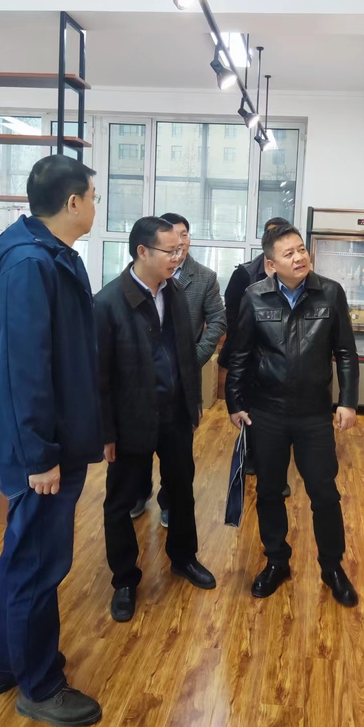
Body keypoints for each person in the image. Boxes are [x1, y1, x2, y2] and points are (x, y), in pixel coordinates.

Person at [0, 155, 103, 727]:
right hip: (35, 445)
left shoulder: (51, 255)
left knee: (25, 556)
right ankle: (40, 686)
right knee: (39, 564)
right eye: (92, 196)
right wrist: (40, 457)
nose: (95, 206)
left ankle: (3, 664)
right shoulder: (30, 264)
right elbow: (26, 370)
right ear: (72, 202)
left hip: (47, 436)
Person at [225, 223, 359, 607]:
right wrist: (234, 402)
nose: (300, 257)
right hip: (266, 412)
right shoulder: (254, 297)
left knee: (324, 492)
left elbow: (345, 352)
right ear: (271, 264)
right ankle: (276, 561)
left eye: (301, 249)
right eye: (289, 253)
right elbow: (240, 354)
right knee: (269, 491)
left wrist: (348, 400)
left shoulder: (330, 292)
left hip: (314, 413)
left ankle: (332, 567)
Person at [95, 216, 216, 624]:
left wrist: (192, 403)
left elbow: (185, 353)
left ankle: (184, 557)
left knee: (181, 489)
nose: (177, 256)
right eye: (170, 250)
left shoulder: (174, 292)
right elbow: (100, 375)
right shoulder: (108, 302)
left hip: (174, 412)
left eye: (180, 249)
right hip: (131, 417)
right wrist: (106, 432)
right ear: (142, 251)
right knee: (121, 500)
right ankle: (124, 580)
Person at [129, 211, 226, 524]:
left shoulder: (203, 277)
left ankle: (170, 503)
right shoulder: (137, 277)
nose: (179, 242)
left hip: (181, 379)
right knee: (140, 444)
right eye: (172, 237)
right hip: (142, 381)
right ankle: (138, 492)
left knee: (178, 453)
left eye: (184, 235)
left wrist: (192, 358)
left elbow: (218, 321)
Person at [219, 216, 291, 489]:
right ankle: (250, 455)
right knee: (250, 407)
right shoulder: (245, 273)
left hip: (280, 356)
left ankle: (275, 471)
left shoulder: (293, 273)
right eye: (272, 235)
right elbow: (232, 313)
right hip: (248, 353)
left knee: (277, 412)